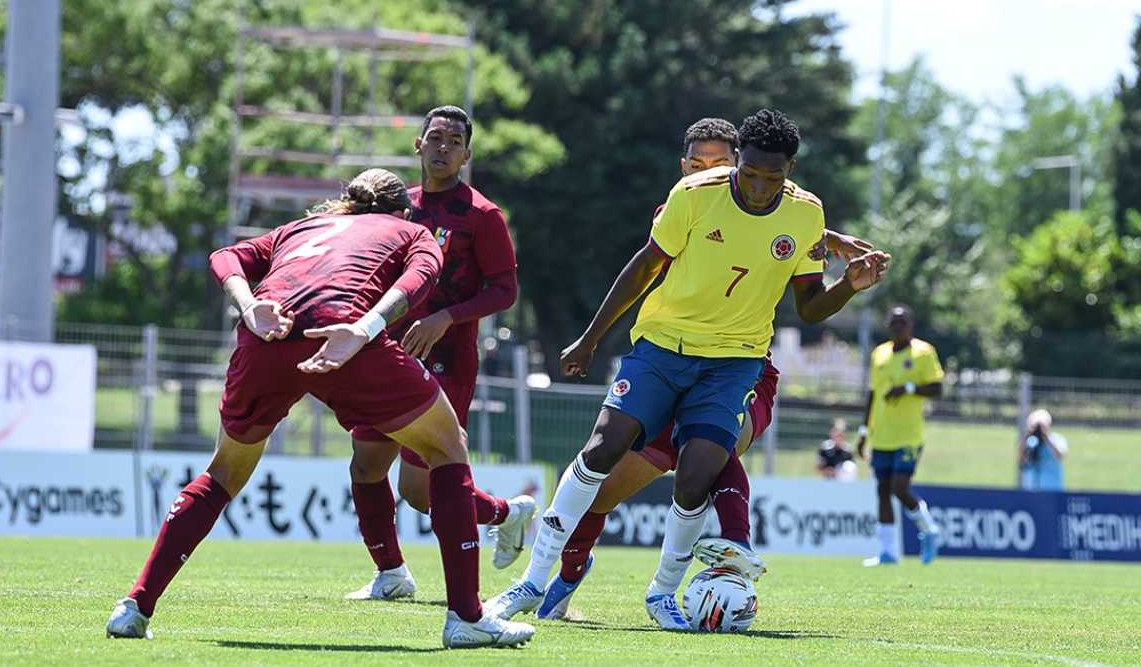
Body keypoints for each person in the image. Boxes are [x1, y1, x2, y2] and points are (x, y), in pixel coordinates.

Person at [488, 109, 890, 630]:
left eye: (776, 177)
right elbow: (644, 266)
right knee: (603, 447)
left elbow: (809, 306)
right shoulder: (695, 195)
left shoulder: (805, 214)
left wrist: (849, 286)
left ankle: (662, 594)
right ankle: (532, 583)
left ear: (790, 169)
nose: (762, 187)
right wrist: (591, 338)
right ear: (736, 162)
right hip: (663, 346)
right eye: (751, 173)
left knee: (697, 473)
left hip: (734, 360)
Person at [105, 169, 534, 649]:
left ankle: (135, 606)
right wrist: (366, 328)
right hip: (346, 336)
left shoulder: (299, 228)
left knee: (222, 475)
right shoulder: (413, 230)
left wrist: (248, 306)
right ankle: (467, 617)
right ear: (402, 210)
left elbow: (225, 256)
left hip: (265, 335)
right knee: (448, 446)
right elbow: (419, 279)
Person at [345, 106, 536, 601]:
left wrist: (446, 318)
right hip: (390, 353)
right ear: (418, 145)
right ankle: (391, 575)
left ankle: (504, 514)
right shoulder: (398, 208)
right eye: (436, 138)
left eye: (454, 140)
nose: (443, 147)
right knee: (365, 464)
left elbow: (505, 290)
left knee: (417, 490)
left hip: (448, 359)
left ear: (467, 154)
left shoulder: (481, 215)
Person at [857, 305, 945, 567]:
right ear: (887, 326)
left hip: (908, 435)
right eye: (894, 322)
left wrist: (907, 388)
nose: (898, 326)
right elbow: (873, 394)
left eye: (903, 322)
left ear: (911, 325)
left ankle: (929, 529)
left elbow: (938, 388)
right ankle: (888, 553)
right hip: (881, 434)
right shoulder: (879, 354)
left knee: (899, 487)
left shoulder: (923, 352)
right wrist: (864, 432)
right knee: (883, 491)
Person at [1019, 408, 1067, 491]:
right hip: (1030, 490)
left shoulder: (1057, 439)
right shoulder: (1029, 441)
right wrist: (1028, 435)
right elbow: (1021, 460)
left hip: (1052, 490)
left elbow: (1060, 456)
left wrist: (1046, 438)